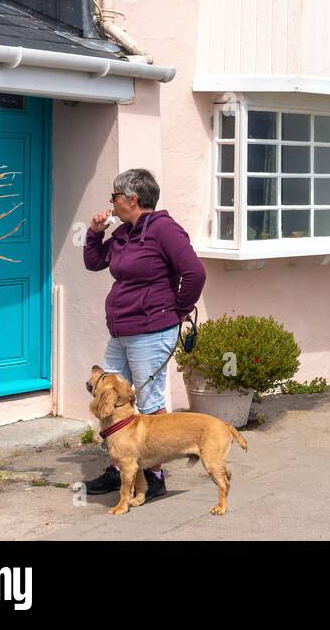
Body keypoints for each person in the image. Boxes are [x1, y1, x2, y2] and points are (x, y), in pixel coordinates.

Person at [81, 168, 207, 501]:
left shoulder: (164, 230)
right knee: (105, 394)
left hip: (151, 331)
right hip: (121, 329)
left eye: (114, 197)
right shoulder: (124, 233)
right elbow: (94, 263)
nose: (112, 203)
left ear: (131, 199)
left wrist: (177, 310)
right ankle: (120, 464)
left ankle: (153, 475)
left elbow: (194, 272)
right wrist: (94, 232)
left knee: (150, 404)